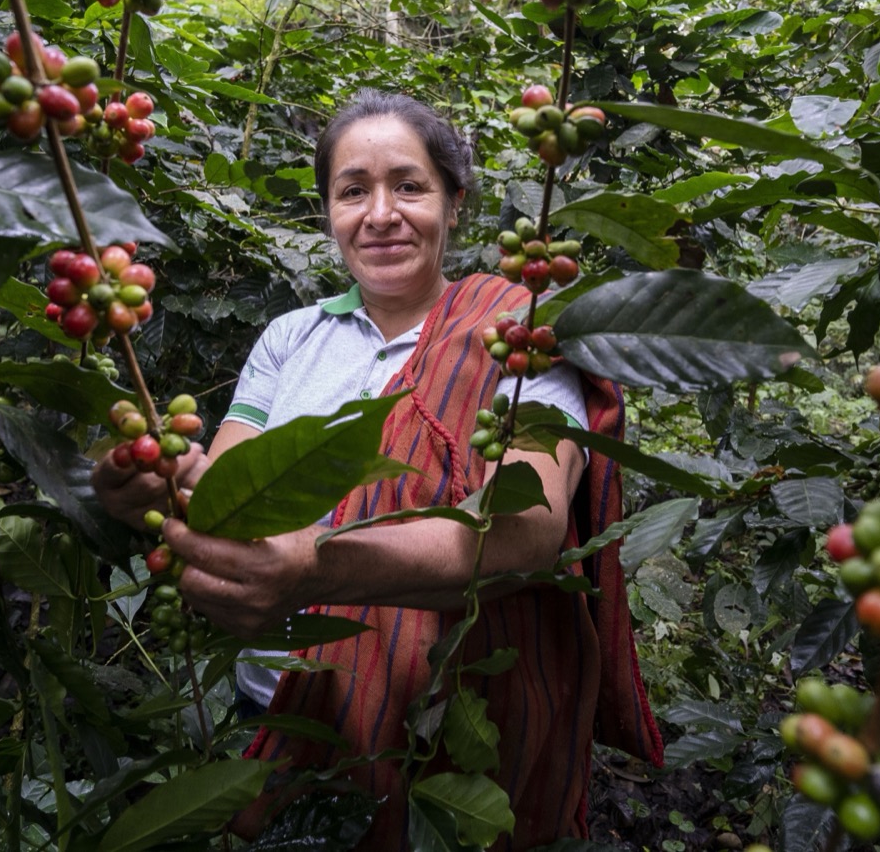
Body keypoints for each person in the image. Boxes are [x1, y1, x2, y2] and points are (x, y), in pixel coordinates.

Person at [92, 91, 661, 849]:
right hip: (273, 709)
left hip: (441, 725)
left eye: (411, 186)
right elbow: (227, 503)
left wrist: (320, 566)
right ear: (328, 209)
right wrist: (155, 489)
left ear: (454, 204)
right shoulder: (290, 338)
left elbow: (527, 529)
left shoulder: (514, 337)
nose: (381, 212)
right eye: (353, 190)